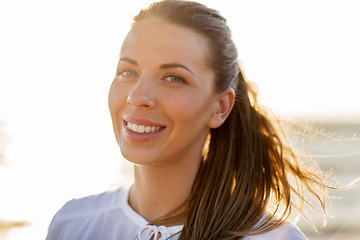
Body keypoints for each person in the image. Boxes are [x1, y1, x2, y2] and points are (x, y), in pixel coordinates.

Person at [46, 0, 332, 239]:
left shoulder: (271, 238)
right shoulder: (72, 224)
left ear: (220, 107)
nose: (137, 96)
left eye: (173, 78)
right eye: (127, 72)